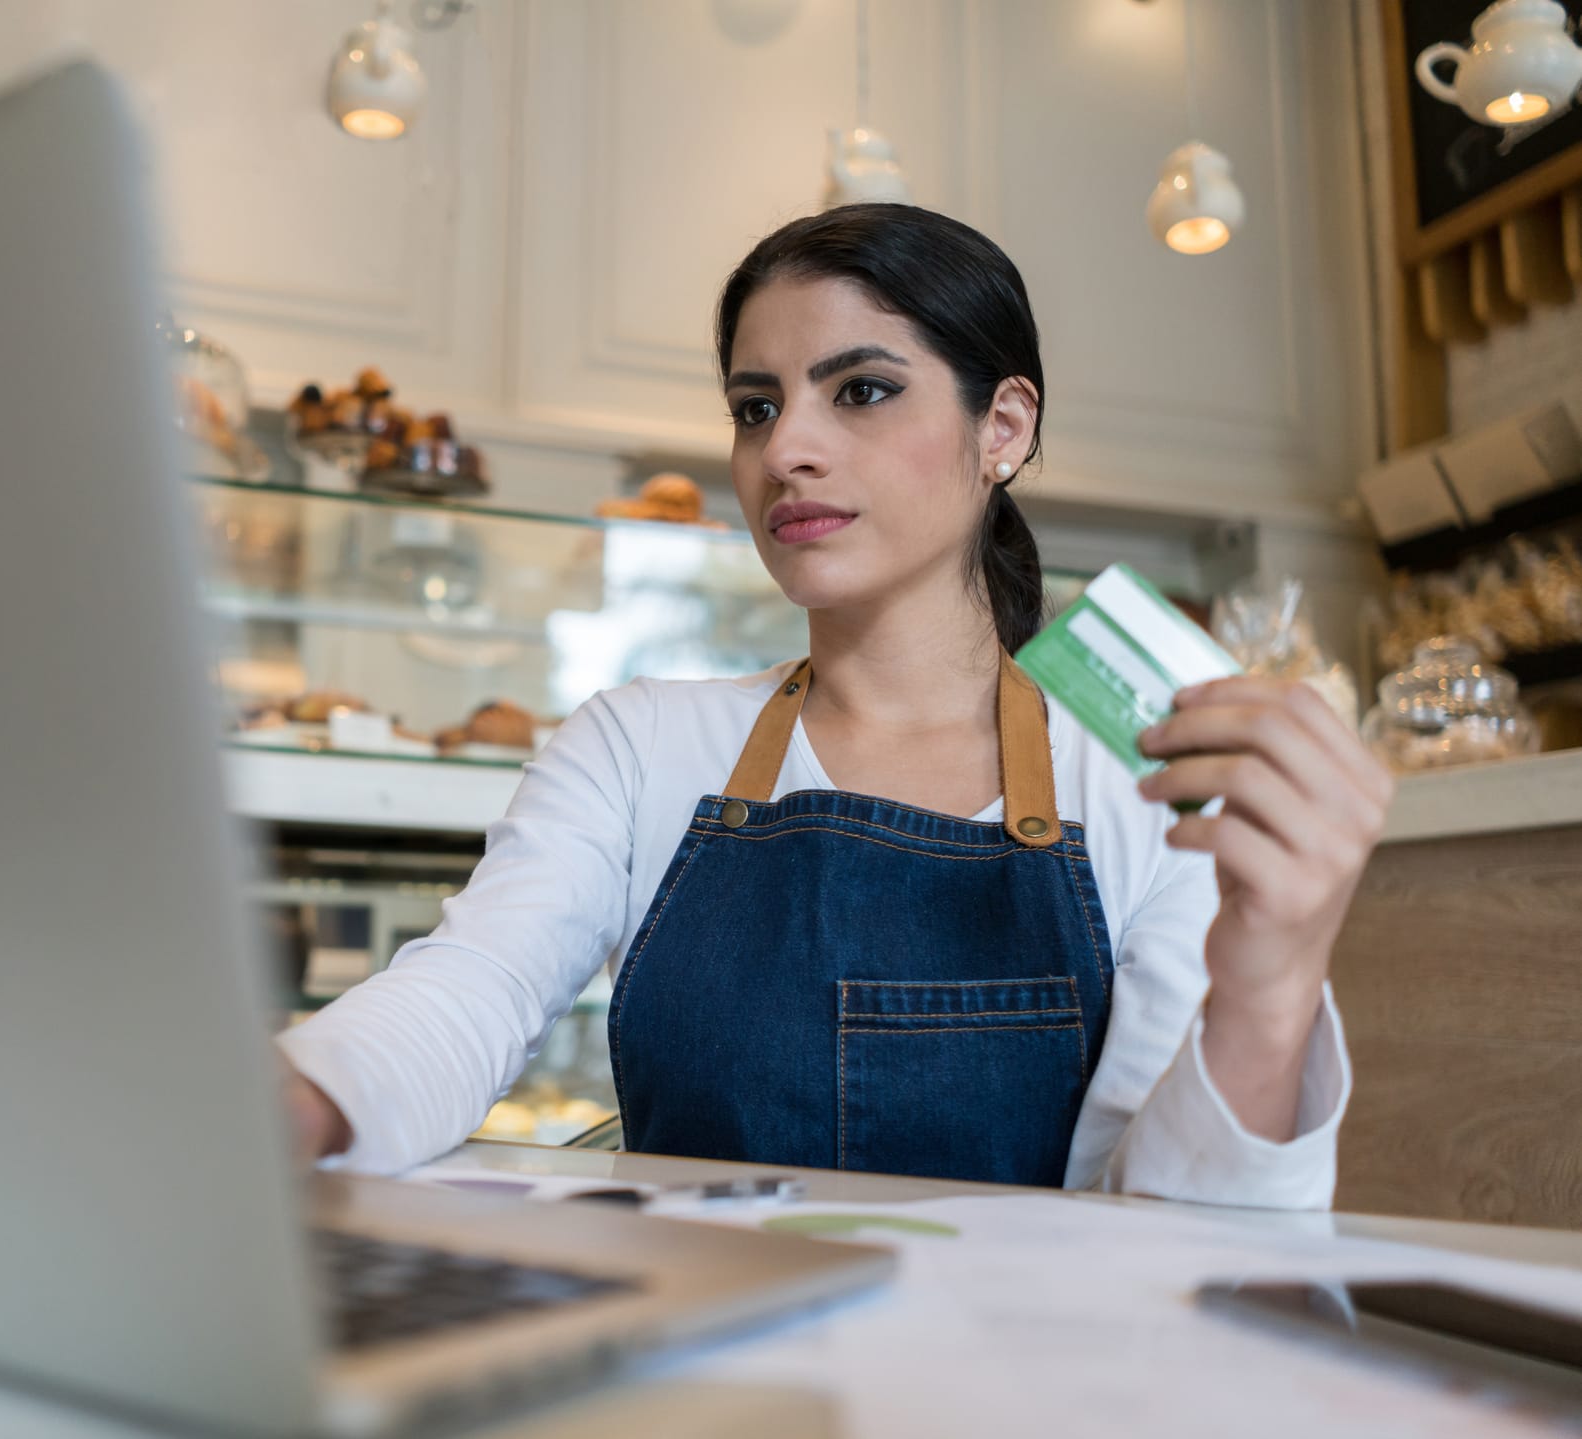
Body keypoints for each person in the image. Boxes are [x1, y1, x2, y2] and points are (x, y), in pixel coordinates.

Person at [275, 204, 1393, 1206]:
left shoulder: (1148, 777)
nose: (786, 451)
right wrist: (291, 1102)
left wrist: (1275, 970)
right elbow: (466, 994)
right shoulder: (638, 743)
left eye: (861, 390)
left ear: (1003, 427)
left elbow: (1176, 1235)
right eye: (755, 407)